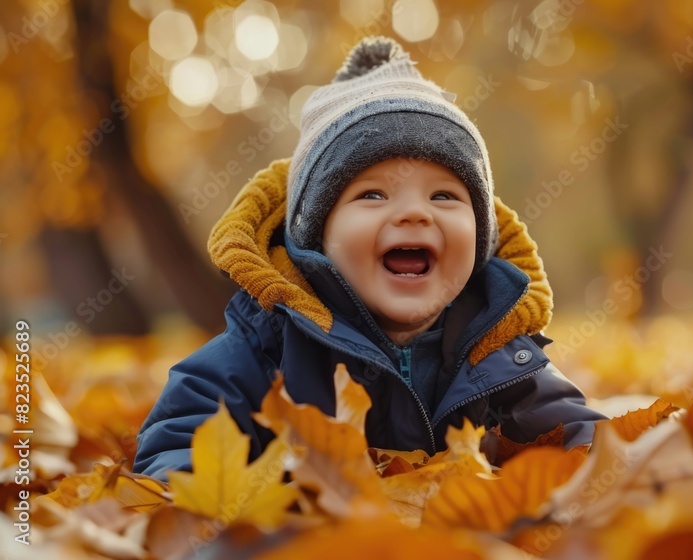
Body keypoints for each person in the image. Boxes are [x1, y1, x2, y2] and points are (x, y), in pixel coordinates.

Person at [134, 36, 606, 481]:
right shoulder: (268, 345)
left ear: (481, 238)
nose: (415, 213)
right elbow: (177, 443)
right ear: (316, 235)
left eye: (444, 196)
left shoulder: (499, 351)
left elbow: (585, 443)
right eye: (374, 195)